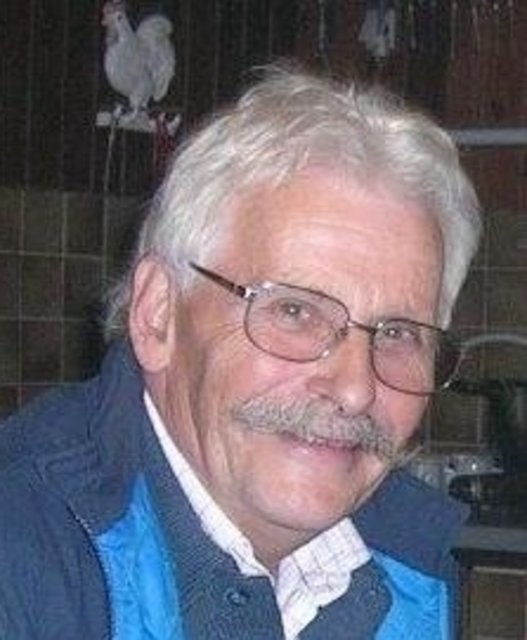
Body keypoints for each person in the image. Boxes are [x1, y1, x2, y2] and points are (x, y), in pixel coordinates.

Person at [0, 65, 481, 640]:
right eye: (295, 311)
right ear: (157, 315)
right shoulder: (22, 562)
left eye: (398, 333)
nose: (356, 388)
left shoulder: (411, 565)